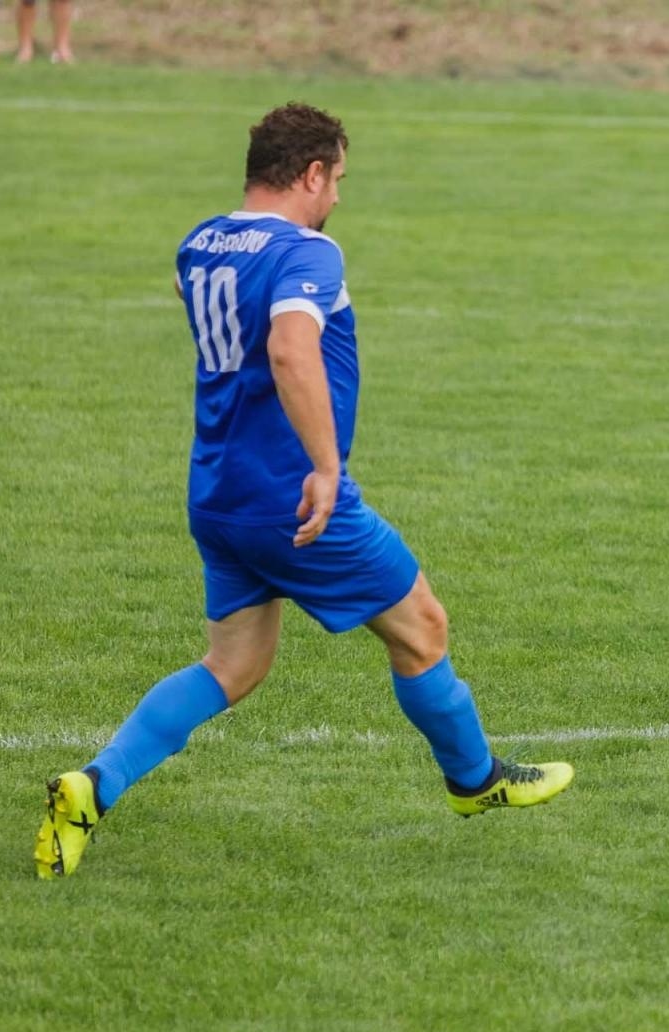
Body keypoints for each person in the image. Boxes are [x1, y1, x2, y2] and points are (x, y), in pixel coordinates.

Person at [34, 103, 573, 880]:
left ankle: (93, 787)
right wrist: (326, 465)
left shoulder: (200, 242)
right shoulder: (309, 252)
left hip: (217, 490)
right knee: (422, 626)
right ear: (311, 173)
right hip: (293, 498)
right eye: (338, 181)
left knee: (234, 665)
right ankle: (475, 783)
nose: (338, 200)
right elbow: (291, 350)